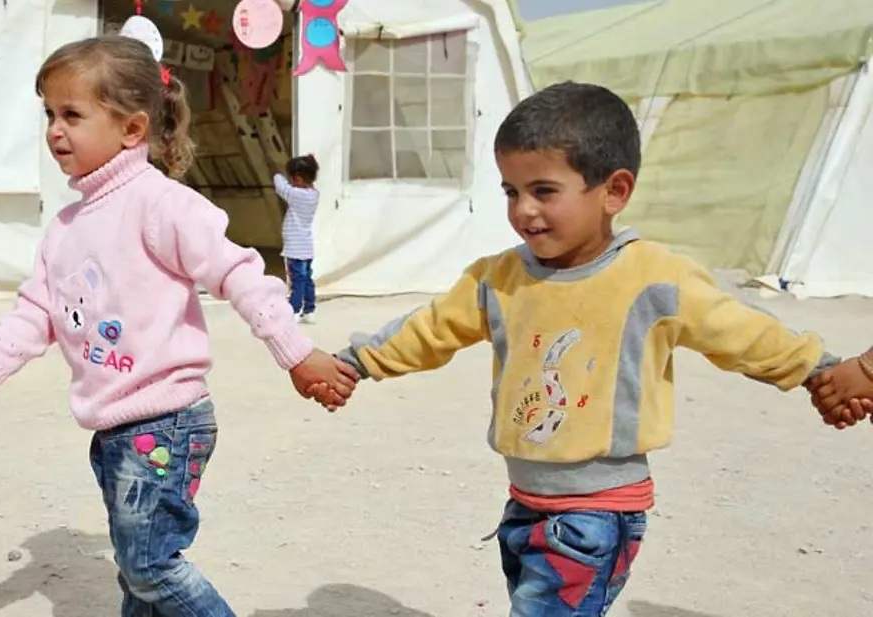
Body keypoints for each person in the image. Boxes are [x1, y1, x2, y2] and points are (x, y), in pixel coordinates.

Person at [316, 81, 841, 616]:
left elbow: (742, 332)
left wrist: (820, 371)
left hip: (595, 515)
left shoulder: (652, 278)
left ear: (614, 191)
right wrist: (356, 363)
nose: (523, 210)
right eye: (510, 191)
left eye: (543, 191)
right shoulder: (498, 279)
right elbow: (429, 330)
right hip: (525, 503)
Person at [0, 35, 357, 616]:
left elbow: (241, 274)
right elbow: (32, 317)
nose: (54, 129)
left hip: (167, 422)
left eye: (72, 114)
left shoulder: (162, 205)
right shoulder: (66, 227)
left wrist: (295, 352)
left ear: (132, 129)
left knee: (151, 566)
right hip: (115, 432)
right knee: (137, 573)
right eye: (49, 113)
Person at [274, 154, 320, 323]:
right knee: (307, 279)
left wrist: (277, 172)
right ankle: (309, 310)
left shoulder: (297, 195)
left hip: (295, 247)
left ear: (299, 179)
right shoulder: (314, 194)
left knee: (297, 280)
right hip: (306, 247)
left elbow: (280, 186)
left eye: (291, 178)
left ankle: (292, 310)